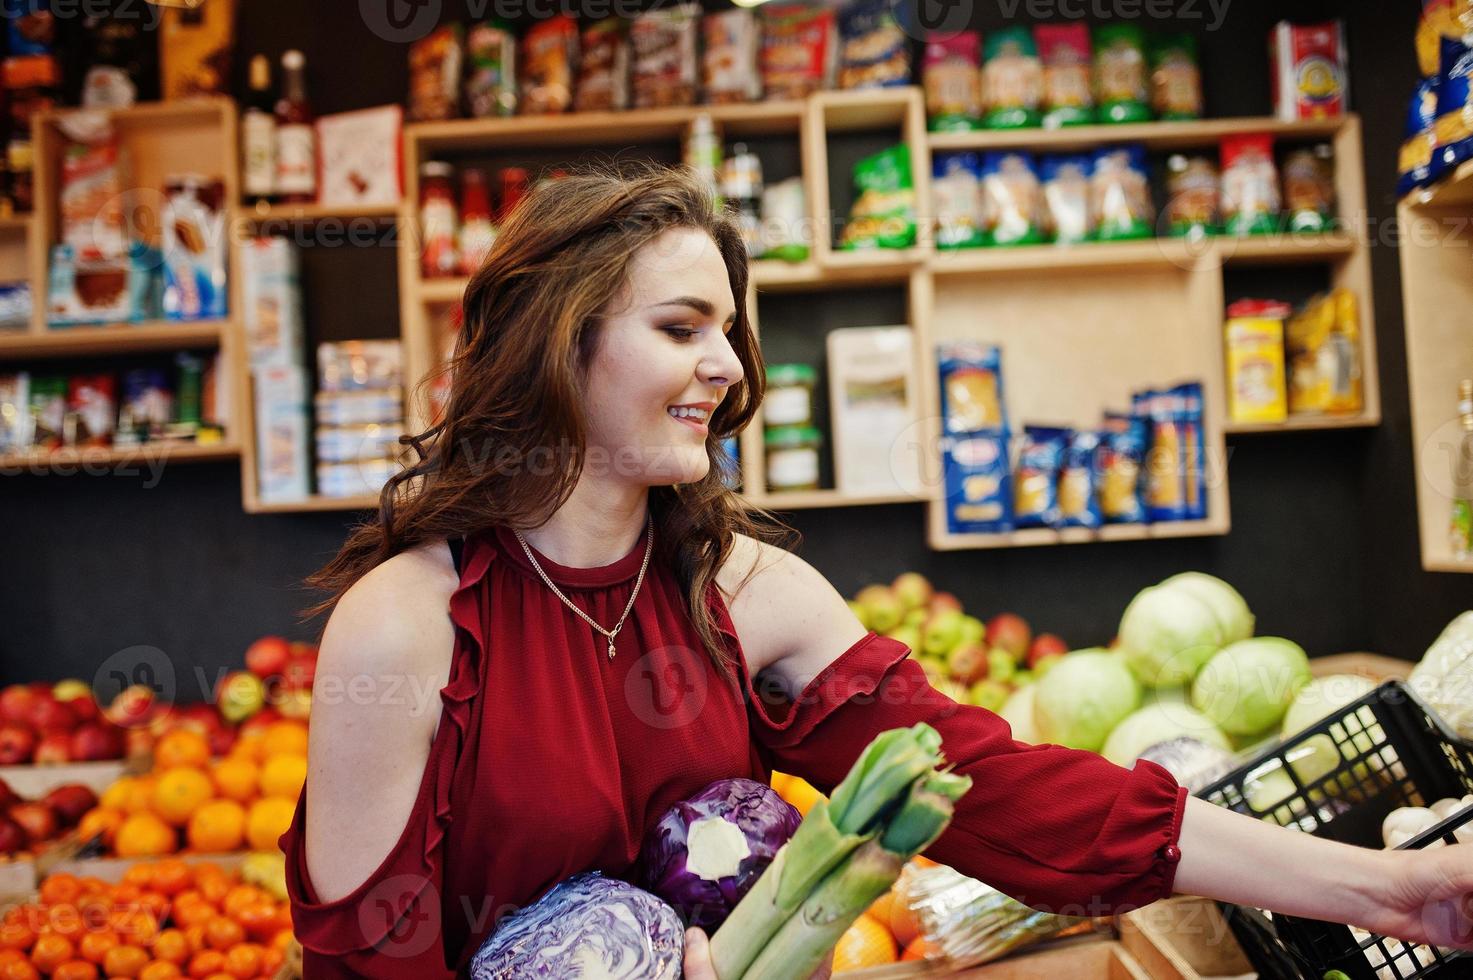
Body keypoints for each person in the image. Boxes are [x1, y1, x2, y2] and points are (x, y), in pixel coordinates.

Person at [281, 166, 1473, 978]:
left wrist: (1381, 888)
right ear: (562, 332)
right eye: (683, 326)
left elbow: (1013, 795)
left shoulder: (744, 593)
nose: (726, 368)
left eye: (730, 333)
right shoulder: (411, 624)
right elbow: (364, 956)